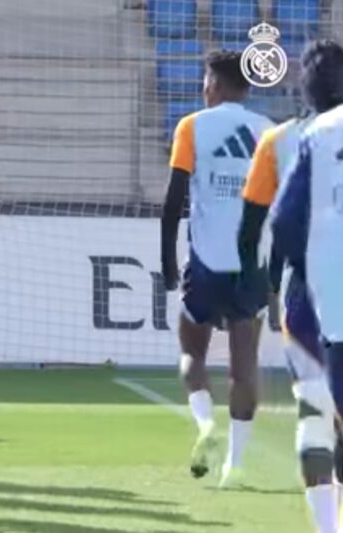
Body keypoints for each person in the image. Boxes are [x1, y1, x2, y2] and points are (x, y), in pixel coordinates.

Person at [161, 49, 274, 487]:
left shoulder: (192, 126)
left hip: (207, 262)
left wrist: (167, 260)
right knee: (244, 365)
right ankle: (235, 464)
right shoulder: (267, 132)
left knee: (191, 353)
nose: (203, 88)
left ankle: (206, 423)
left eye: (205, 81)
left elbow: (174, 198)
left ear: (215, 85)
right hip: (251, 265)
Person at [266, 39, 343, 533]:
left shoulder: (314, 135)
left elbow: (283, 221)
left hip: (319, 302)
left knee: (316, 417)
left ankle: (327, 527)